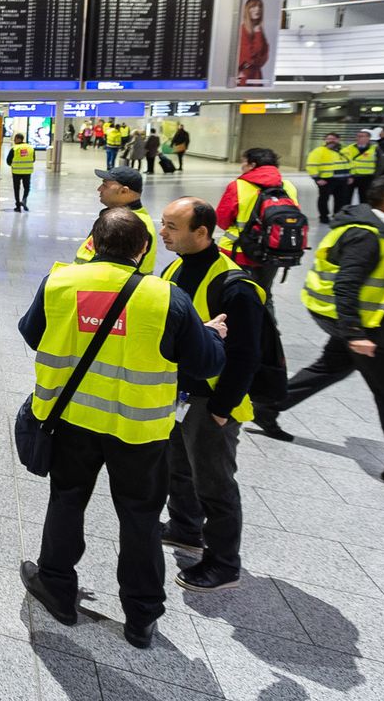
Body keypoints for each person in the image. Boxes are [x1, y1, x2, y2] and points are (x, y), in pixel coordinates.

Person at [18, 207, 227, 649]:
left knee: (67, 499)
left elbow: (32, 334)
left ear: (92, 243)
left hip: (72, 420)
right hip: (139, 431)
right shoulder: (165, 297)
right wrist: (209, 334)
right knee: (140, 518)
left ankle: (56, 585)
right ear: (143, 249)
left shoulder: (59, 282)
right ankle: (141, 615)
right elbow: (205, 362)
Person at [253, 175, 384, 501]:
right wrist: (354, 333)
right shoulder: (366, 236)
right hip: (372, 333)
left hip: (368, 326)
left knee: (328, 369)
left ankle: (266, 405)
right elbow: (346, 285)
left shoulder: (379, 228)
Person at [157, 197, 267, 592]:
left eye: (172, 226)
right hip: (178, 393)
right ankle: (186, 528)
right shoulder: (175, 267)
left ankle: (224, 563)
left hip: (211, 401)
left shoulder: (236, 287)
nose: (162, 232)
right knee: (178, 466)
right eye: (164, 223)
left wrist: (222, 408)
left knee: (215, 482)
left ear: (201, 232)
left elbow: (248, 354)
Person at [215, 148, 298, 294]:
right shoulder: (288, 186)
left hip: (239, 250)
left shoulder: (238, 186)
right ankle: (265, 316)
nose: (242, 166)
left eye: (243, 162)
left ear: (252, 165)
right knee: (264, 293)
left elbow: (222, 219)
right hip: (273, 250)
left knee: (235, 294)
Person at [74, 167, 157, 274]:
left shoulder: (128, 226)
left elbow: (114, 275)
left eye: (105, 185)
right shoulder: (118, 218)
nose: (99, 189)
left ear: (124, 191)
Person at [306, 132, 352, 224]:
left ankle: (337, 216)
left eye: (334, 139)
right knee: (324, 199)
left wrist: (351, 176)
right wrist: (317, 179)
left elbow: (351, 164)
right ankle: (323, 217)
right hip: (326, 180)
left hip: (342, 180)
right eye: (329, 139)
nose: (331, 141)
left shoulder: (345, 150)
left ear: (338, 140)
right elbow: (311, 165)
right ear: (325, 140)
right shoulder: (319, 151)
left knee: (340, 200)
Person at [235, 0, 269, 86]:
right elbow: (249, 56)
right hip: (245, 78)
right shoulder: (243, 30)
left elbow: (264, 58)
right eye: (253, 6)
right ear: (247, 10)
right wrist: (258, 33)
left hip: (256, 76)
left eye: (259, 6)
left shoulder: (260, 31)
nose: (257, 9)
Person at [343, 130, 377, 205]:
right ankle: (346, 214)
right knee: (346, 198)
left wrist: (376, 176)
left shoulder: (375, 149)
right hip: (351, 177)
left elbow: (381, 163)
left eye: (362, 136)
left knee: (365, 198)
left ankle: (363, 214)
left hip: (367, 177)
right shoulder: (348, 149)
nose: (358, 138)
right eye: (357, 136)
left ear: (368, 138)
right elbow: (343, 163)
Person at [6, 133, 35, 212]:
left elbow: (8, 161)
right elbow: (33, 159)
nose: (14, 140)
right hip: (27, 171)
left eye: (15, 139)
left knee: (16, 188)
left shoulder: (15, 148)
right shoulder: (30, 148)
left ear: (18, 139)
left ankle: (18, 206)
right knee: (27, 187)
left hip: (16, 171)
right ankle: (24, 200)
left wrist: (13, 164)